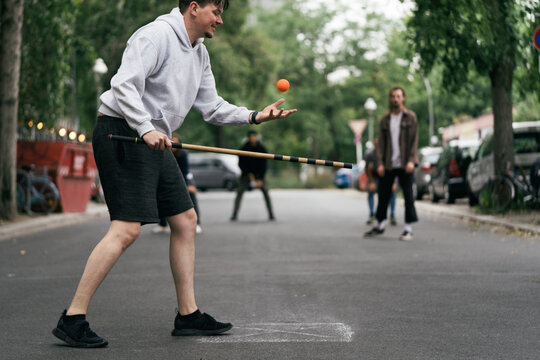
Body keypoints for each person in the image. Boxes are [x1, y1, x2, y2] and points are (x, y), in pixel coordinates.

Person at [52, 0, 296, 348]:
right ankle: (73, 317)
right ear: (194, 7)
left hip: (153, 137)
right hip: (122, 131)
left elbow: (212, 107)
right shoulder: (156, 36)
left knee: (184, 219)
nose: (220, 20)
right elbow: (123, 85)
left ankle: (188, 315)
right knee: (126, 229)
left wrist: (255, 116)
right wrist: (145, 128)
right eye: (216, 11)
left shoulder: (199, 52)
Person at [364, 87, 418, 241]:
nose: (396, 99)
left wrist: (411, 161)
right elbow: (380, 144)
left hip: (405, 163)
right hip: (388, 164)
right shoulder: (385, 119)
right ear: (390, 99)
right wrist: (379, 163)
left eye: (398, 96)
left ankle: (408, 229)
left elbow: (414, 140)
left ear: (403, 98)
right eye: (393, 96)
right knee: (383, 195)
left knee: (408, 196)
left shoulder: (410, 117)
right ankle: (380, 225)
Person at [152, 133, 202, 234]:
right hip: (165, 176)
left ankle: (196, 224)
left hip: (183, 176)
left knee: (191, 194)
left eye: (176, 143)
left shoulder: (183, 153)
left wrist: (187, 185)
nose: (173, 144)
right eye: (171, 142)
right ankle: (162, 225)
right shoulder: (162, 152)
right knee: (160, 196)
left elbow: (185, 171)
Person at [230, 130, 274, 221]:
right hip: (246, 175)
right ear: (249, 138)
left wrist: (260, 179)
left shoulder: (262, 149)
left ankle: (271, 213)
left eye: (254, 136)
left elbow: (264, 165)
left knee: (266, 192)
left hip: (259, 175)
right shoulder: (243, 149)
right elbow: (241, 164)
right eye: (251, 136)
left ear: (256, 137)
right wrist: (250, 176)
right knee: (239, 192)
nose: (253, 138)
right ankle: (234, 214)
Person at [364, 138, 397, 226]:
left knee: (392, 192)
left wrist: (394, 182)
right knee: (371, 192)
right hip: (374, 176)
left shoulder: (388, 154)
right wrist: (371, 182)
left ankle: (392, 214)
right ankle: (372, 214)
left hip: (386, 176)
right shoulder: (370, 154)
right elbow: (367, 169)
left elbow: (394, 170)